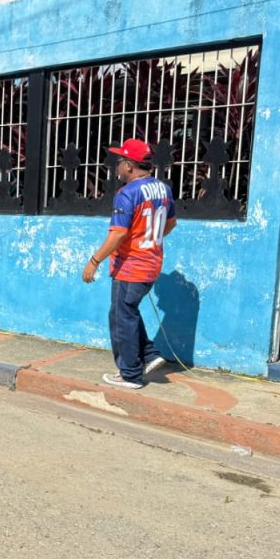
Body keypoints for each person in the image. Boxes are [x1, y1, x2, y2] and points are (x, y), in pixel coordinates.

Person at [82, 138, 176, 389]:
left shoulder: (127, 193)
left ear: (129, 166)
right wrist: (148, 240)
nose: (116, 167)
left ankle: (130, 374)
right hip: (151, 263)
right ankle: (150, 355)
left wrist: (94, 261)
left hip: (131, 266)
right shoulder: (163, 189)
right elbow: (170, 224)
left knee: (121, 318)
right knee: (126, 313)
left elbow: (118, 234)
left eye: (119, 162)